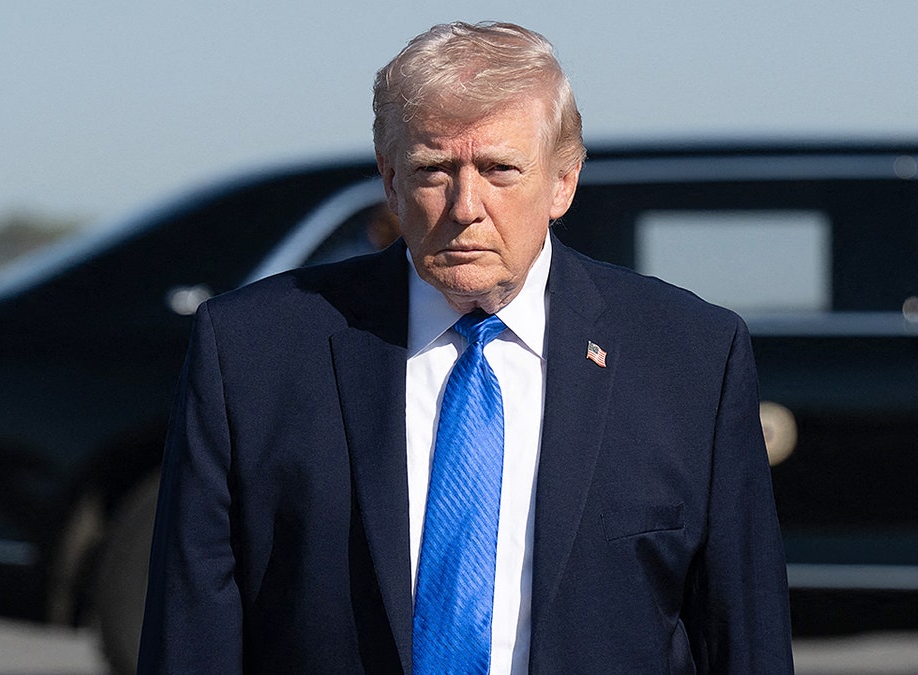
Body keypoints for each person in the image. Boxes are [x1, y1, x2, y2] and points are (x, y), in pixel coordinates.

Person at [138, 21, 793, 674]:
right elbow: (190, 630)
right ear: (390, 182)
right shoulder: (252, 351)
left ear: (562, 183)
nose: (465, 206)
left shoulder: (690, 357)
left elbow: (742, 636)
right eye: (434, 170)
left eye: (499, 169)